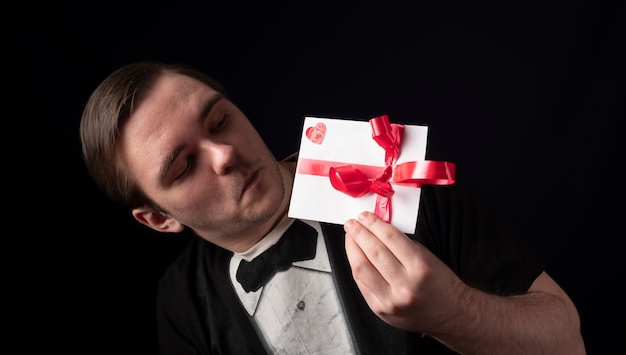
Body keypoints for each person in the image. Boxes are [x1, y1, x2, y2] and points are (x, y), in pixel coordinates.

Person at [80, 60, 585, 355]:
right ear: (158, 218)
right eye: (184, 166)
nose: (226, 154)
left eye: (218, 122)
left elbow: (567, 339)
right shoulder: (181, 303)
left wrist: (452, 312)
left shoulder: (393, 174)